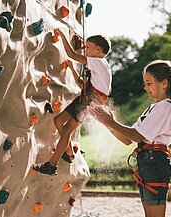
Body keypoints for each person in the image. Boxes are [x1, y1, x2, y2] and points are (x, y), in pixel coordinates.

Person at [88, 60, 171, 217]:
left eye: (149, 83)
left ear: (164, 83)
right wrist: (106, 123)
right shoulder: (153, 108)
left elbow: (135, 135)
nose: (146, 88)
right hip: (147, 161)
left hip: (155, 162)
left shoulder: (165, 107)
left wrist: (110, 121)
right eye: (145, 84)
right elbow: (127, 139)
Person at [32, 29, 112, 175]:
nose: (85, 51)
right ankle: (68, 152)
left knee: (67, 129)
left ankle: (52, 164)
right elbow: (81, 85)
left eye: (88, 48)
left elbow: (72, 55)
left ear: (98, 49)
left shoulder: (98, 62)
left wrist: (62, 35)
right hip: (89, 98)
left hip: (89, 100)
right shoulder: (102, 67)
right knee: (58, 121)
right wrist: (71, 68)